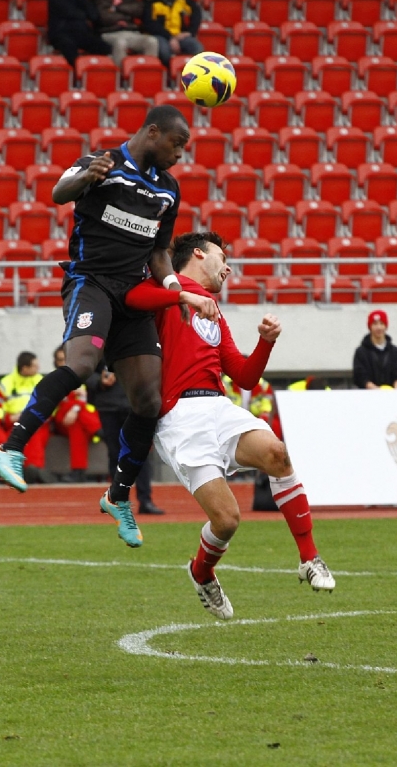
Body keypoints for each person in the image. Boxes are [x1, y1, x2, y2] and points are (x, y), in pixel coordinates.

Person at [0, 105, 217, 550]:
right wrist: (86, 178)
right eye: (176, 145)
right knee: (82, 365)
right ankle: (10, 447)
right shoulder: (103, 162)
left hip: (134, 295)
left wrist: (174, 289)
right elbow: (59, 192)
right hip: (90, 283)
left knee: (149, 400)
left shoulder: (168, 189)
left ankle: (118, 496)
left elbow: (159, 252)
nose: (179, 155)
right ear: (153, 132)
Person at [126, 232, 335, 620]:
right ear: (198, 254)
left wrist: (265, 343)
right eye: (223, 258)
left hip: (218, 406)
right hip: (179, 418)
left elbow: (244, 376)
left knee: (277, 454)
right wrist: (181, 296)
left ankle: (309, 557)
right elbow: (132, 298)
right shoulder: (167, 289)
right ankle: (201, 572)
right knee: (227, 520)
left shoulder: (214, 310)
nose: (228, 268)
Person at [87, 361, 164, 515]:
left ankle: (145, 500)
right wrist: (99, 380)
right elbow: (85, 369)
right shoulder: (99, 348)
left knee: (140, 453)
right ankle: (119, 501)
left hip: (135, 405)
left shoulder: (139, 347)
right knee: (115, 455)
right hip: (109, 406)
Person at [0, 352, 55, 485]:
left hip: (38, 422)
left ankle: (33, 470)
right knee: (16, 436)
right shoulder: (6, 383)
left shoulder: (42, 381)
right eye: (35, 366)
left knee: (33, 433)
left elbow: (51, 405)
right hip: (12, 423)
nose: (38, 369)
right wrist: (9, 417)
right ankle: (31, 472)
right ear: (25, 368)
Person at [52, 345, 102, 482]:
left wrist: (74, 408)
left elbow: (82, 399)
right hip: (60, 419)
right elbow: (58, 402)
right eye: (60, 360)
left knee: (77, 425)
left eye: (66, 359)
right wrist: (74, 405)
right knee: (74, 408)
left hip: (75, 419)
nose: (64, 362)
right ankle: (99, 430)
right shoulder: (53, 379)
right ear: (56, 362)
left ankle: (78, 471)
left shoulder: (78, 377)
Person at [93, 0, 158, 67]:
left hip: (131, 32)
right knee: (120, 43)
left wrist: (117, 7)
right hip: (109, 33)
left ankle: (147, 73)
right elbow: (104, 17)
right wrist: (126, 14)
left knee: (152, 41)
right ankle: (122, 74)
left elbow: (139, 10)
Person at [47, 0, 111, 68]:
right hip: (62, 33)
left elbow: (94, 16)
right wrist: (83, 13)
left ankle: (92, 70)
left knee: (105, 47)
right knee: (70, 48)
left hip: (81, 33)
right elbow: (70, 13)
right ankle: (78, 74)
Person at [142, 0, 203, 68]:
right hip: (159, 35)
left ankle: (189, 73)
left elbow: (196, 10)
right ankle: (170, 75)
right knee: (165, 52)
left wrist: (191, 32)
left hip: (179, 34)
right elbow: (149, 24)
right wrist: (170, 37)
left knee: (197, 48)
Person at [353, 310, 397, 389]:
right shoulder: (361, 352)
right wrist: (376, 390)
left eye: (381, 323)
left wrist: (396, 391)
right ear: (370, 327)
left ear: (386, 326)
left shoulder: (396, 352)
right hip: (368, 395)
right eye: (375, 324)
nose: (379, 327)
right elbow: (360, 376)